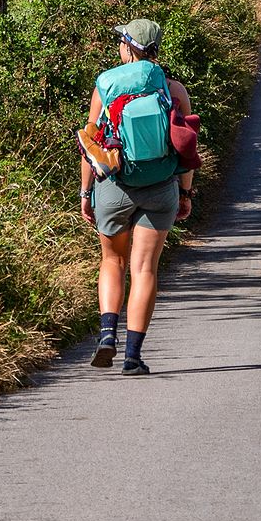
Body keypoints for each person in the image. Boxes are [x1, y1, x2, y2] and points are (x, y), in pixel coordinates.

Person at [79, 18, 194, 376]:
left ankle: (107, 335)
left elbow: (91, 146)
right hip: (160, 187)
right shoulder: (172, 88)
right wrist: (186, 192)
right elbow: (186, 147)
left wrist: (86, 192)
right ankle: (133, 356)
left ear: (128, 46)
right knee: (144, 268)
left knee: (112, 261)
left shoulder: (106, 84)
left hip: (114, 186)